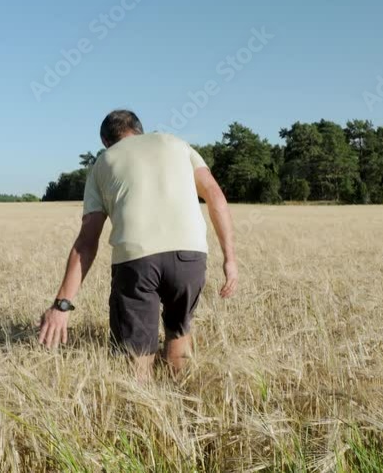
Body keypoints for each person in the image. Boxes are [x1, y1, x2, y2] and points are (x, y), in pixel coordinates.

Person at [38, 109, 238, 380]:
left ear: (106, 141)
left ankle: (141, 406)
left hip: (137, 260)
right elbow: (215, 195)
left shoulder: (103, 162)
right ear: (140, 130)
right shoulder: (177, 144)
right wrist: (230, 258)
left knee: (136, 355)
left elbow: (87, 241)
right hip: (190, 256)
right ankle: (177, 401)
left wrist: (62, 305)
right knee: (178, 331)